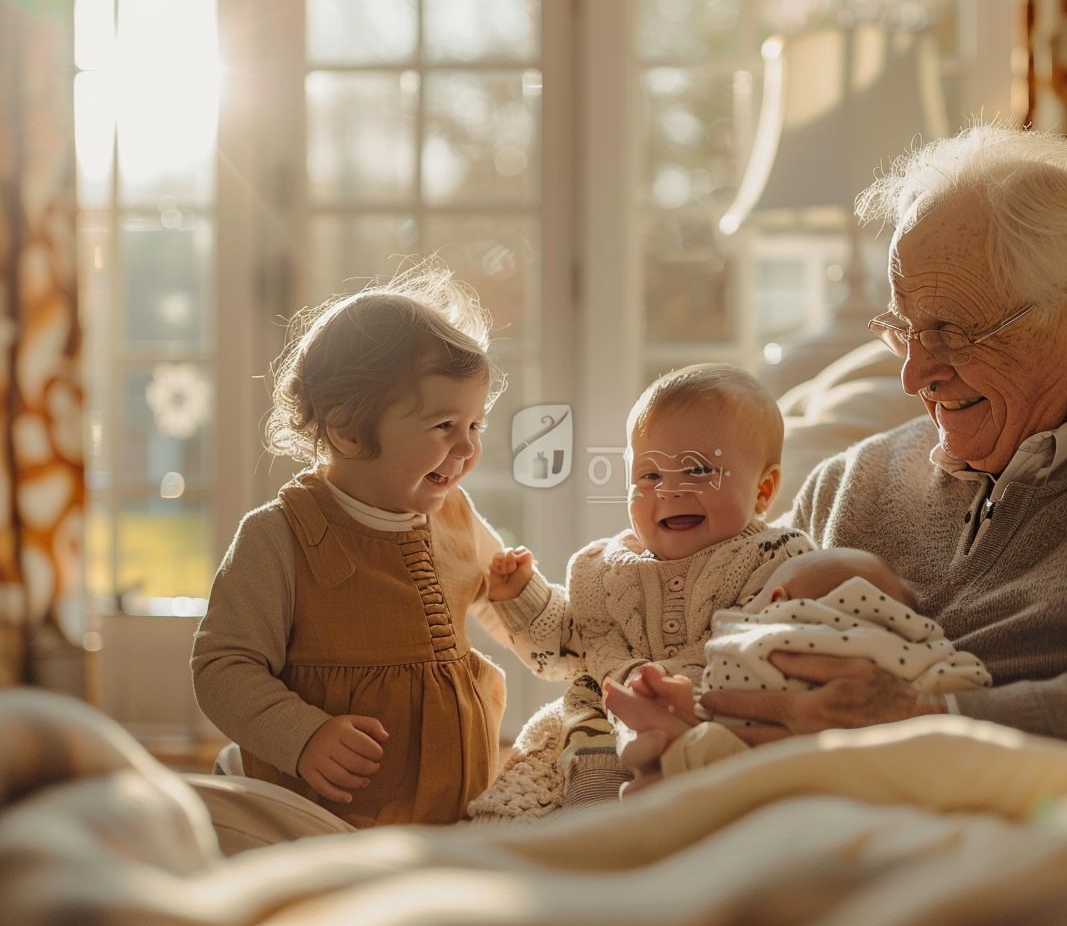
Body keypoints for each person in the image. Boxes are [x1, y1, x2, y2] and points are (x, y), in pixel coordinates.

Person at [618, 122, 1067, 788]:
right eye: (905, 330)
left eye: (954, 332)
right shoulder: (846, 485)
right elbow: (730, 647)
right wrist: (684, 716)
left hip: (1023, 829)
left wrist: (932, 718)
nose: (913, 376)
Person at [191, 257, 521, 829]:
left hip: (452, 807)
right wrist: (304, 735)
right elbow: (223, 666)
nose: (467, 449)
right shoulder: (280, 537)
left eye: (475, 426)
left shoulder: (456, 515)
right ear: (346, 430)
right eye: (445, 425)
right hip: (318, 809)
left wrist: (561, 628)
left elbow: (501, 597)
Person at [466, 363, 815, 819]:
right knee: (515, 803)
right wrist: (523, 596)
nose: (669, 490)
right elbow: (565, 654)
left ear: (763, 490)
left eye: (698, 469)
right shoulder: (603, 569)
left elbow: (773, 656)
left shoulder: (775, 558)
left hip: (706, 723)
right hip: (593, 726)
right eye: (648, 476)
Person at [605, 547, 990, 792]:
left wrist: (695, 708)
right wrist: (933, 703)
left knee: (707, 752)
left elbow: (726, 695)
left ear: (776, 597)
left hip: (752, 763)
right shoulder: (911, 644)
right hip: (875, 781)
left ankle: (673, 730)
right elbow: (964, 687)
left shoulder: (758, 635)